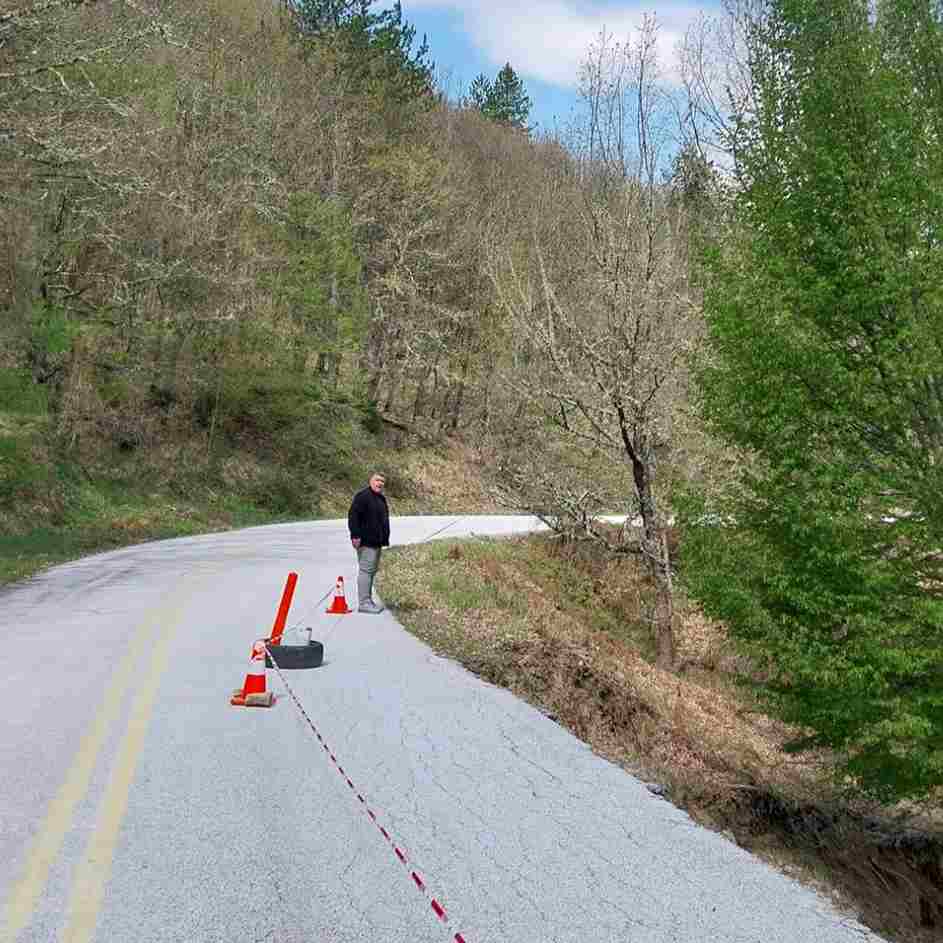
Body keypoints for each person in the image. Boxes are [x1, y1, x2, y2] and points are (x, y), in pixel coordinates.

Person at [347, 472, 390, 613]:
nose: (380, 483)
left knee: (371, 571)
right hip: (366, 541)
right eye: (377, 480)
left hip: (377, 541)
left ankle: (368, 600)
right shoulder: (363, 496)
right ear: (370, 481)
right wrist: (355, 535)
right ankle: (364, 603)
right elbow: (353, 516)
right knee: (366, 571)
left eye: (382, 481)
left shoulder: (380, 498)